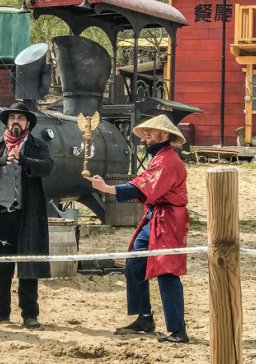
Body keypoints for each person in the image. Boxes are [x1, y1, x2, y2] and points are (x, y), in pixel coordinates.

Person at [86, 114, 190, 343]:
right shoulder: (160, 157)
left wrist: (108, 188)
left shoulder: (167, 160)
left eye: (151, 133)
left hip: (168, 219)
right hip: (155, 216)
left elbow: (143, 186)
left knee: (167, 271)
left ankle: (178, 330)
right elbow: (144, 183)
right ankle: (144, 318)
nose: (147, 137)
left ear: (165, 135)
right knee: (135, 262)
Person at [0, 102, 54, 329]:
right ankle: (0, 311)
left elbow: (47, 166)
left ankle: (30, 314)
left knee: (28, 264)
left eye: (21, 118)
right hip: (0, 213)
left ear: (28, 124)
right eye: (13, 117)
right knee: (1, 265)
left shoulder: (37, 145)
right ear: (7, 122)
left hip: (28, 215)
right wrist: (1, 160)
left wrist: (23, 160)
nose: (16, 121)